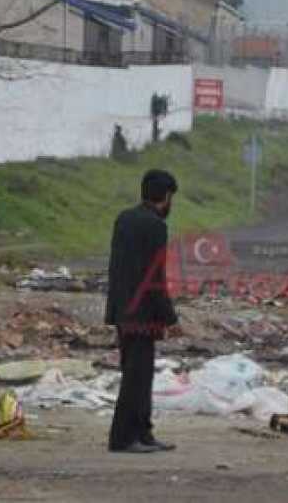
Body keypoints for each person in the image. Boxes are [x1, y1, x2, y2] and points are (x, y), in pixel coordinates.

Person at [105, 169, 182, 453]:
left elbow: (117, 268)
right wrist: (170, 317)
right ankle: (123, 438)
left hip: (123, 310)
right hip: (142, 313)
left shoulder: (124, 218)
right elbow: (155, 276)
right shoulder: (155, 226)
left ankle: (143, 433)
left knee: (139, 374)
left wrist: (115, 310)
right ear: (167, 197)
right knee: (136, 378)